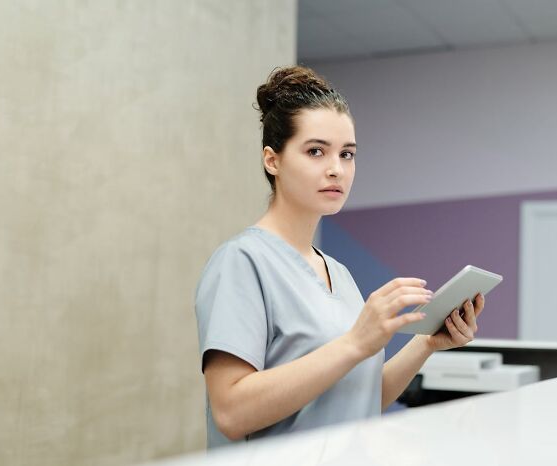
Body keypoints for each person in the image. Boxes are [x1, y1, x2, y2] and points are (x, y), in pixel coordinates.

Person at [194, 66, 485, 449]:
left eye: (347, 154)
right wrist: (355, 343)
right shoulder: (242, 262)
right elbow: (231, 413)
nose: (336, 169)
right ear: (272, 161)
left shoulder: (338, 274)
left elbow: (356, 400)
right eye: (316, 151)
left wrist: (426, 343)